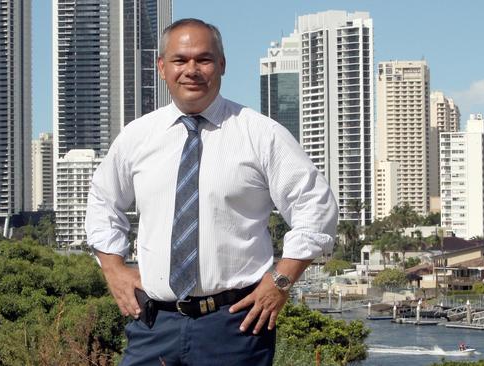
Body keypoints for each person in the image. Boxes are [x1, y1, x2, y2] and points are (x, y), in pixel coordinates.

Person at [85, 18, 338, 366]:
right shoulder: (137, 137)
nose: (192, 70)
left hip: (235, 325)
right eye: (180, 60)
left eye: (203, 59)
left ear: (221, 65)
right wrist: (113, 269)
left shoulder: (261, 134)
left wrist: (281, 280)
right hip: (153, 325)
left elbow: (316, 209)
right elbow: (102, 202)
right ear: (162, 67)